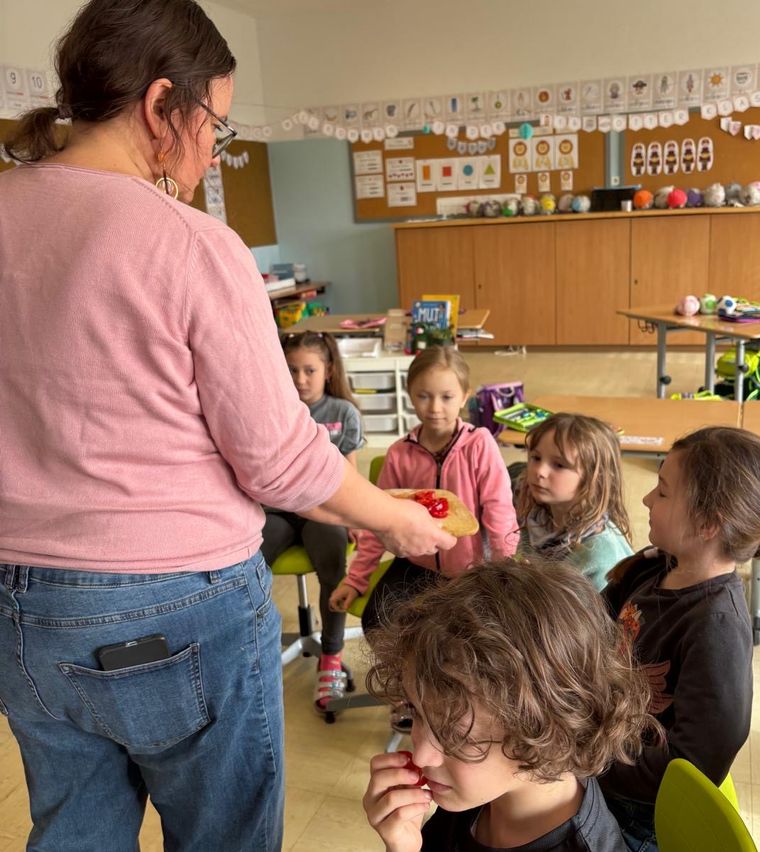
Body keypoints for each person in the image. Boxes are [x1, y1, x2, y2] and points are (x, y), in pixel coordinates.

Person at [0, 2, 453, 850]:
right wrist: (396, 516)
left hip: (21, 602)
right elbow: (282, 462)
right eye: (214, 120)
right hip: (174, 599)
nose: (216, 144)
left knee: (72, 829)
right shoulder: (190, 243)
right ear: (160, 103)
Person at [362, 557, 658, 852]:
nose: (422, 755)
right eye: (415, 711)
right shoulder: (485, 791)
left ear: (546, 736)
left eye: (455, 735)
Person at [599, 426, 760, 851]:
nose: (648, 499)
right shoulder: (653, 568)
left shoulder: (716, 629)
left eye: (663, 492)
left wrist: (587, 756)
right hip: (601, 751)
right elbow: (588, 624)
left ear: (707, 523)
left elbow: (692, 766)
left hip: (636, 814)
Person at [329, 346, 518, 636]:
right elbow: (378, 519)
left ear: (464, 396)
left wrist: (505, 573)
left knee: (464, 637)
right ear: (410, 395)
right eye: (423, 396)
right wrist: (356, 579)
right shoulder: (399, 453)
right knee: (377, 624)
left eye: (447, 397)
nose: (434, 408)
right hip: (416, 563)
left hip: (470, 568)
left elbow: (499, 511)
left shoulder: (479, 445)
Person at [261, 331, 364, 713]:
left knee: (333, 566)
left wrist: (355, 515)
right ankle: (252, 647)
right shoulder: (273, 410)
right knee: (247, 564)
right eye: (291, 369)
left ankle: (331, 657)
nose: (300, 379)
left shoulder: (342, 413)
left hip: (325, 508)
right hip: (278, 511)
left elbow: (351, 474)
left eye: (309, 370)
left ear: (328, 370)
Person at [514, 413, 633, 591]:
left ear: (595, 478)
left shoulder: (600, 555)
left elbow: (597, 618)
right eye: (536, 458)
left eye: (559, 465)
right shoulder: (536, 519)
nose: (540, 471)